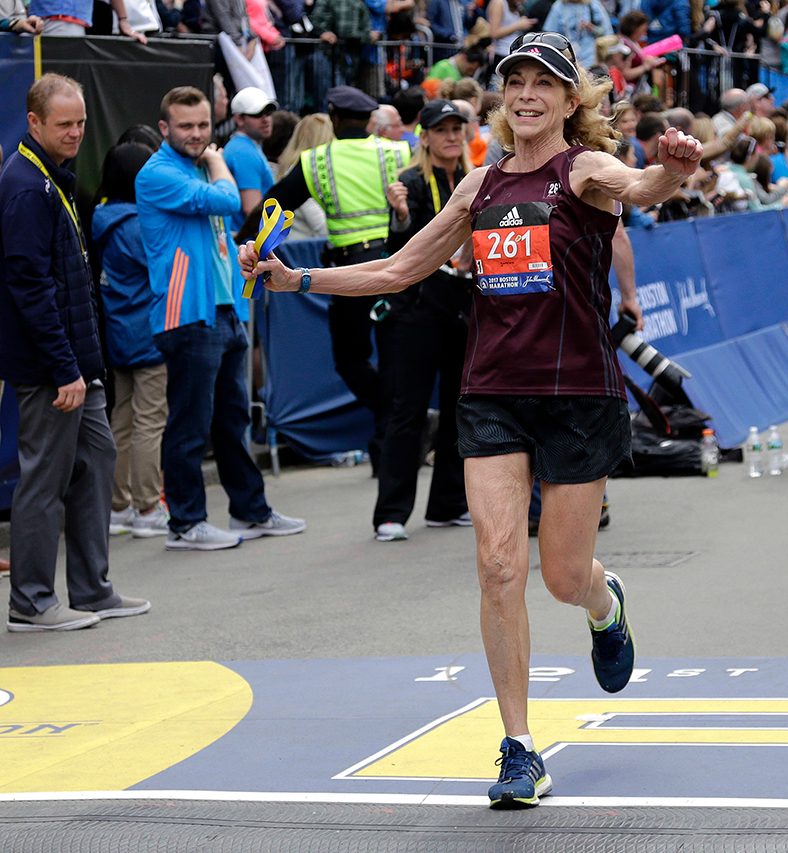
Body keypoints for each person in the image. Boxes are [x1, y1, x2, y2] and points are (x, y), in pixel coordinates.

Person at [240, 31, 702, 807]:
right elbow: (398, 267)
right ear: (501, 96)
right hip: (490, 393)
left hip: (578, 395)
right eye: (514, 81)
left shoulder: (582, 169)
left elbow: (641, 184)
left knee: (560, 576)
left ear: (569, 100)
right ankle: (520, 745)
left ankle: (603, 599)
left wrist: (672, 168)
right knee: (496, 565)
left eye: (543, 84)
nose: (526, 95)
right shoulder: (478, 186)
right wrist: (298, 277)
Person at [1, 74, 150, 631]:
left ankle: (91, 589)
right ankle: (32, 603)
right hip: (52, 368)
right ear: (33, 122)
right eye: (64, 124)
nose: (76, 132)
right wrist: (65, 368)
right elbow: (30, 287)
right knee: (44, 481)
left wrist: (82, 367)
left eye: (82, 122)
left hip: (73, 364)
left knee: (98, 461)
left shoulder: (47, 180)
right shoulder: (25, 186)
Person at [137, 86, 306, 551]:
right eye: (186, 126)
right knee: (190, 426)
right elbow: (229, 202)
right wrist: (217, 164)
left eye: (202, 126)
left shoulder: (188, 169)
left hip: (222, 309)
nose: (197, 135)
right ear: (164, 129)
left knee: (232, 421)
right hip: (187, 315)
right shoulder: (159, 174)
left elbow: (216, 234)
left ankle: (250, 511)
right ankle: (186, 524)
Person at [247, 86, 413, 471]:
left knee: (350, 358)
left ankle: (388, 433)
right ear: (370, 121)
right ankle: (391, 432)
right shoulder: (398, 152)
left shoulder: (316, 161)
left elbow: (273, 205)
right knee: (392, 358)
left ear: (335, 119)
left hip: (349, 272)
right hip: (397, 264)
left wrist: (247, 241)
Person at [373, 99, 474, 543]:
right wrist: (398, 214)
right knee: (407, 410)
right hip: (417, 310)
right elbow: (401, 249)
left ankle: (447, 504)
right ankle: (391, 513)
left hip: (463, 305)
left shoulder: (474, 181)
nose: (452, 136)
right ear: (426, 136)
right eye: (443, 129)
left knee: (459, 407)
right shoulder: (410, 182)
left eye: (458, 128)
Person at [93, 143, 171, 539]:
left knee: (121, 419)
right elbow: (165, 265)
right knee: (149, 420)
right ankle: (146, 506)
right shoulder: (138, 225)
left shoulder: (102, 219)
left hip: (118, 332)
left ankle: (118, 503)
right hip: (149, 332)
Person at [223, 86, 278, 234]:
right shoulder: (243, 152)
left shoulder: (244, 147)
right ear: (239, 119)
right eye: (258, 114)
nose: (266, 119)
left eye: (268, 113)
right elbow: (252, 210)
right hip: (247, 244)